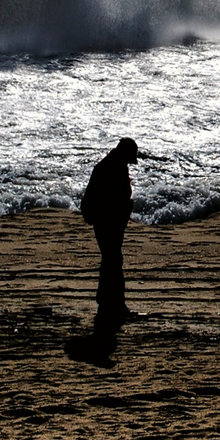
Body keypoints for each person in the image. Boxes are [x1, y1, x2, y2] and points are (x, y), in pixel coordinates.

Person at [81, 137, 139, 329]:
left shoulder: (111, 165)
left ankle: (107, 302)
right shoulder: (110, 167)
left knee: (111, 259)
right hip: (107, 222)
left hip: (108, 222)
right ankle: (113, 304)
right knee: (113, 259)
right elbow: (111, 199)